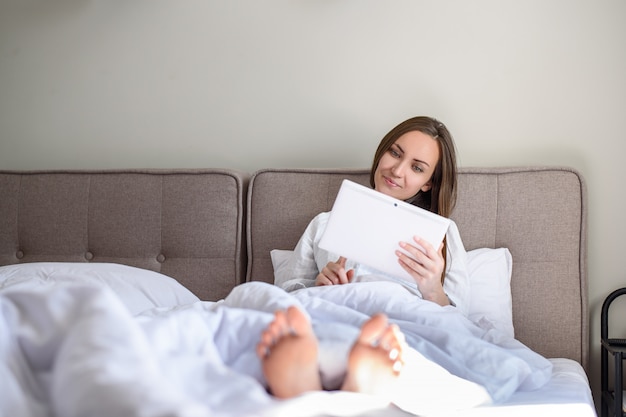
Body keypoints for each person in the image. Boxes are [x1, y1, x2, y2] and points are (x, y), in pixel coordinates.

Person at [275, 116, 470, 314]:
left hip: (406, 327)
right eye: (395, 153)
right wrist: (320, 287)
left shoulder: (442, 233)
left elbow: (461, 320)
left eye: (417, 168)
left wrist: (432, 290)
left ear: (428, 183)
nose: (397, 170)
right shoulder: (323, 223)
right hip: (338, 318)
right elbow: (284, 297)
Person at [256, 305, 407, 400]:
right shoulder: (314, 252)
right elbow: (295, 281)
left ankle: (300, 396)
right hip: (323, 290)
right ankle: (360, 395)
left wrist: (430, 289)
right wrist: (319, 281)